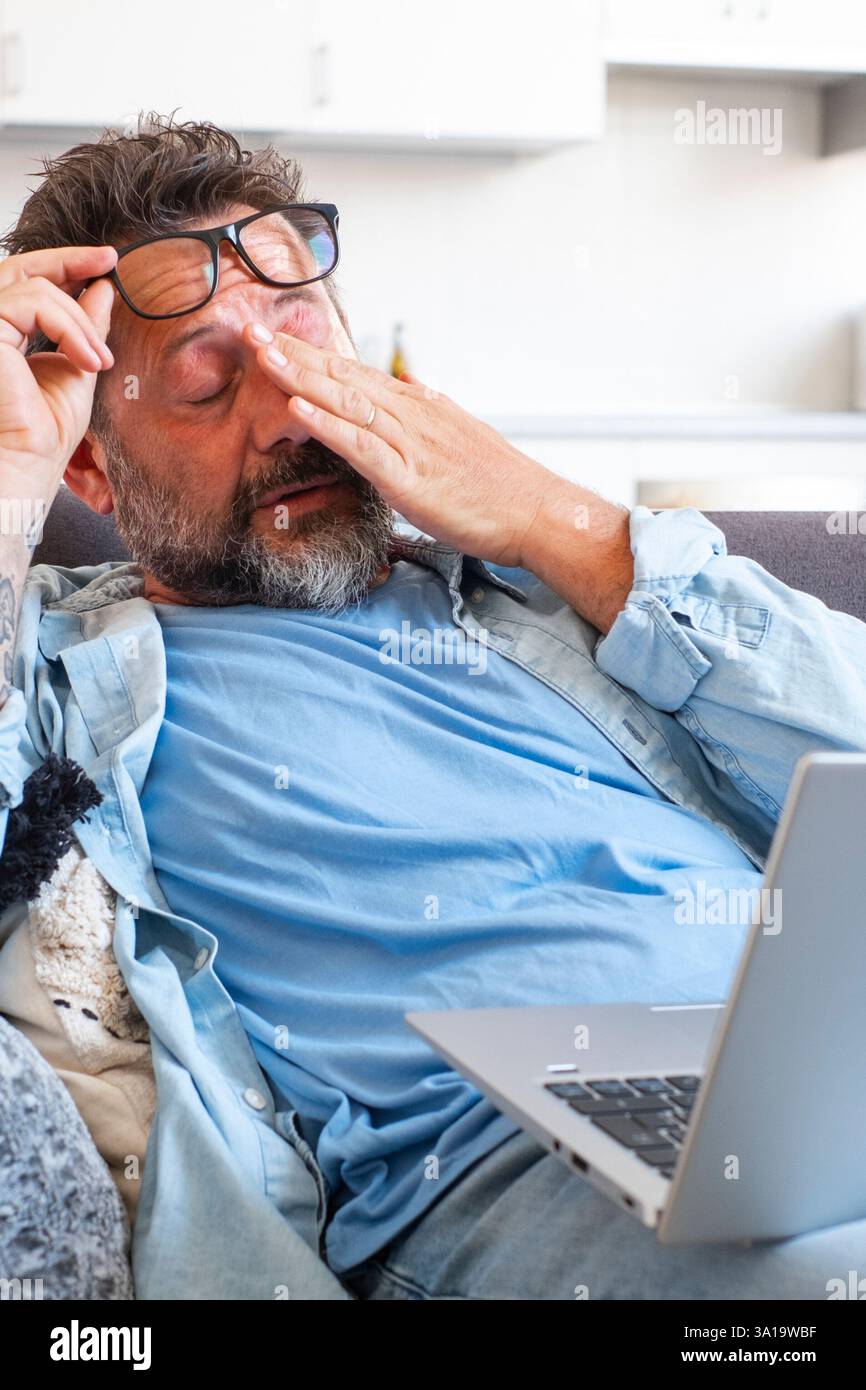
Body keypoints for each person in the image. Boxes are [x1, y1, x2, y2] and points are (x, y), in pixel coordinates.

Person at [1, 113, 865, 1301]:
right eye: (208, 381)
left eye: (307, 344)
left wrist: (549, 519)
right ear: (93, 469)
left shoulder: (542, 595)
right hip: (511, 1175)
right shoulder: (61, 664)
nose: (294, 411)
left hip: (817, 1089)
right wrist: (7, 475)